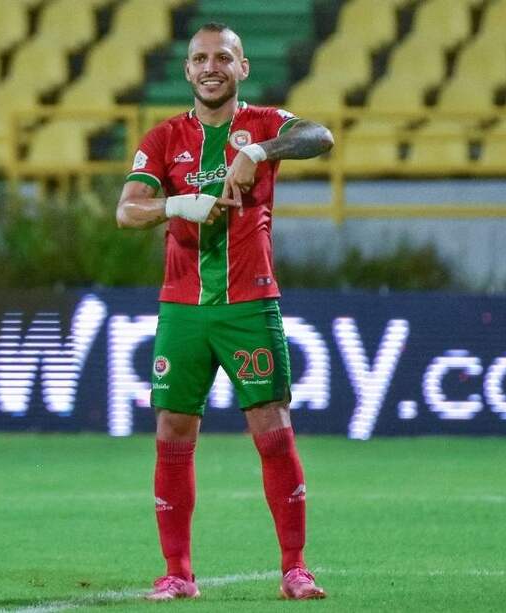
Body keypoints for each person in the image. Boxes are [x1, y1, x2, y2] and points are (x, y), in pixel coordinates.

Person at [116, 22, 334, 602]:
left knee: (272, 427)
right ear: (187, 71)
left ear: (241, 69)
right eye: (199, 59)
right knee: (173, 429)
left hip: (251, 304)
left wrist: (257, 153)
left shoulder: (264, 125)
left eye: (223, 58)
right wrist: (180, 202)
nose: (210, 67)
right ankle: (177, 574)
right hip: (182, 308)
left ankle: (295, 568)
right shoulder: (164, 138)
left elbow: (322, 136)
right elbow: (127, 211)